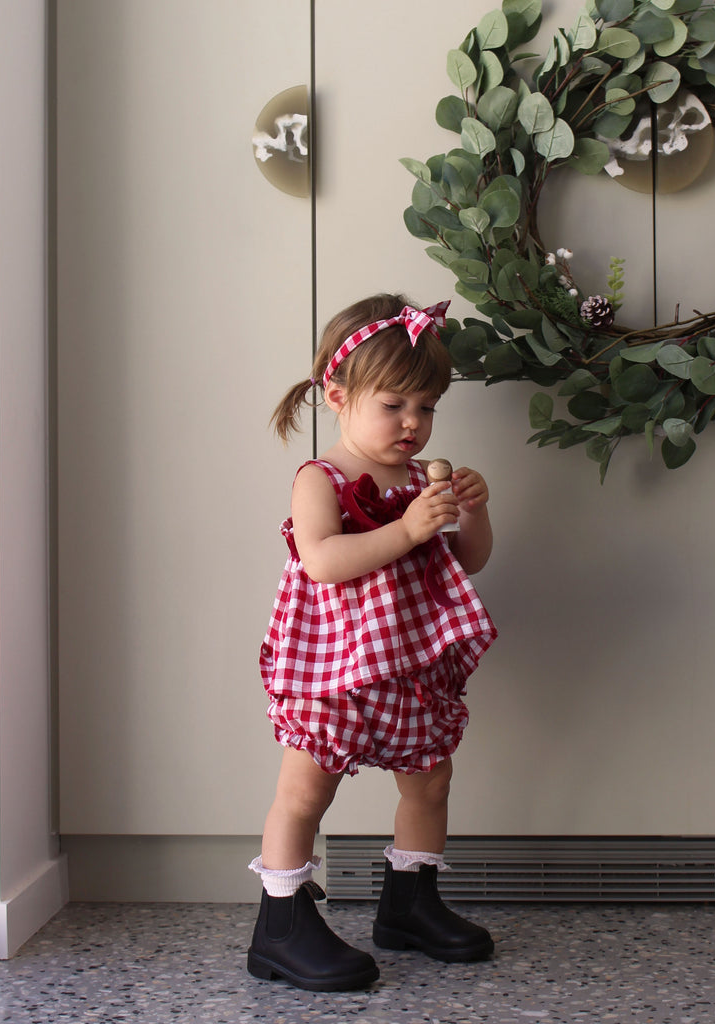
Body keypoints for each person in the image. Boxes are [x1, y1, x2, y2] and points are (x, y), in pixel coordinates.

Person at [246, 293, 498, 992]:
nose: (413, 424)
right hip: (334, 667)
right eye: (394, 405)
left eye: (426, 408)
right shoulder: (319, 479)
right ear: (337, 392)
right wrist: (409, 529)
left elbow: (469, 561)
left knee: (430, 779)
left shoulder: (421, 481)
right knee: (306, 789)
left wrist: (472, 513)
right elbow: (324, 560)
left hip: (408, 663)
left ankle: (409, 904)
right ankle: (281, 924)